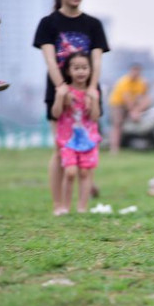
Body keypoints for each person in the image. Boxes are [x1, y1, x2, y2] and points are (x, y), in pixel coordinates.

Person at [33, 0, 109, 216]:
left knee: (87, 143)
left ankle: (83, 201)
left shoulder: (93, 25)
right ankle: (59, 205)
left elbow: (96, 62)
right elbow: (50, 59)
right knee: (60, 148)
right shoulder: (48, 24)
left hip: (88, 96)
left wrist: (91, 90)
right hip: (59, 94)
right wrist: (61, 89)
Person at [52, 52, 101, 215]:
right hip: (68, 140)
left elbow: (95, 116)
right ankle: (65, 207)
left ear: (90, 70)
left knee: (85, 172)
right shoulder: (65, 92)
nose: (81, 71)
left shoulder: (93, 92)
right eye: (76, 68)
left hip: (88, 140)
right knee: (70, 172)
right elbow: (56, 113)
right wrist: (60, 97)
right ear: (68, 71)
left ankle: (82, 207)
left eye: (84, 67)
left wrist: (94, 99)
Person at [108, 63, 151, 154]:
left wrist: (138, 110)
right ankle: (114, 148)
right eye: (134, 70)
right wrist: (133, 111)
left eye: (138, 71)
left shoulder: (142, 82)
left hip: (134, 105)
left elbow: (146, 97)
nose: (136, 73)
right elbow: (126, 98)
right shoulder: (124, 81)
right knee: (117, 124)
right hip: (118, 104)